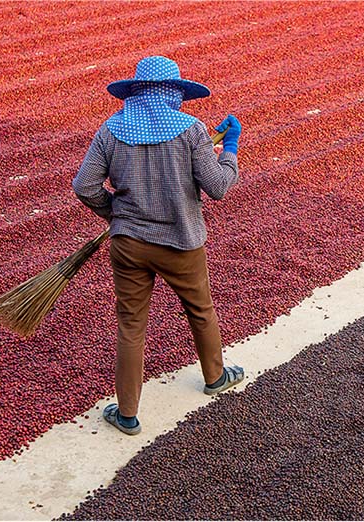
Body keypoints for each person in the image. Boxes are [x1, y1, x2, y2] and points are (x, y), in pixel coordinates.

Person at [72, 56, 244, 435]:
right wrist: (229, 147)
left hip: (129, 244)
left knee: (131, 325)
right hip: (181, 243)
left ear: (135, 92)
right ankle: (215, 377)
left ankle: (128, 414)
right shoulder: (191, 131)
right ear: (174, 93)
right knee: (200, 309)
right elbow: (217, 186)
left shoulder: (112, 130)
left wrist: (115, 212)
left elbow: (84, 186)